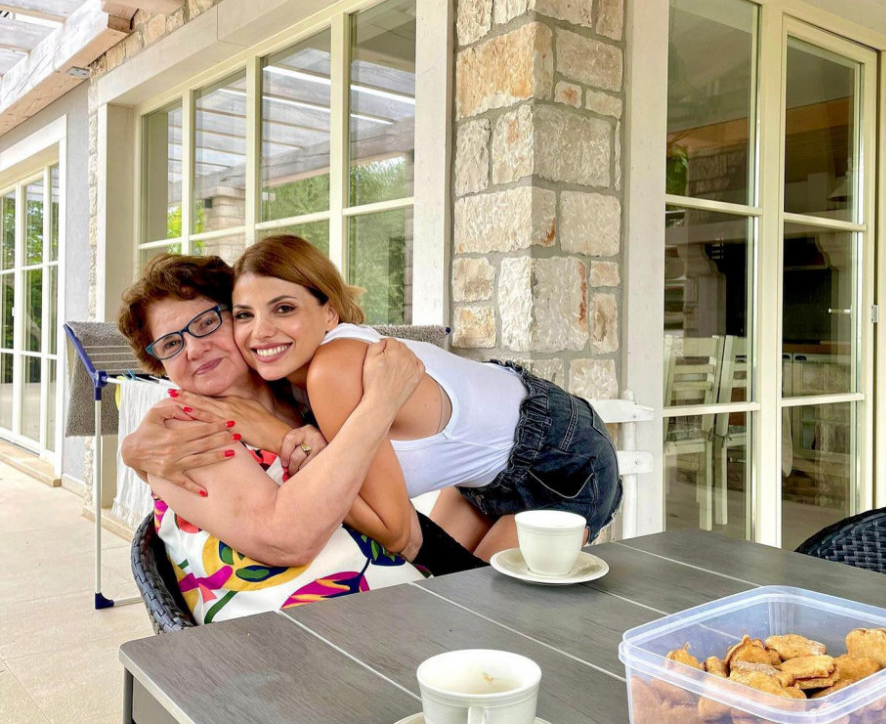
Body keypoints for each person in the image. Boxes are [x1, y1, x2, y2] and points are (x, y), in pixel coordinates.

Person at [230, 235, 622, 561]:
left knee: (480, 612)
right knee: (440, 593)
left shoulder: (332, 369)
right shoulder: (290, 382)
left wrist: (285, 443)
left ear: (330, 314)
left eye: (284, 308)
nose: (260, 331)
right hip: (488, 475)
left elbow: (396, 533)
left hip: (563, 459)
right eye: (244, 315)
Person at [117, 254, 431, 624]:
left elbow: (407, 532)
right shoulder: (179, 429)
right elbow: (285, 539)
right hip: (295, 635)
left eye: (206, 323)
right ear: (160, 363)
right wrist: (380, 403)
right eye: (171, 344)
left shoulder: (303, 396)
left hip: (400, 605)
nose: (194, 349)